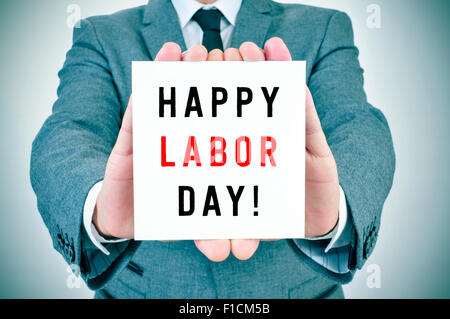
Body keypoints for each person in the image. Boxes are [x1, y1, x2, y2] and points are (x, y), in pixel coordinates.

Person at [30, 0, 395, 299]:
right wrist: (101, 211)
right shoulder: (101, 35)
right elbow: (69, 131)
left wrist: (335, 209)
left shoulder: (323, 26)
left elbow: (356, 123)